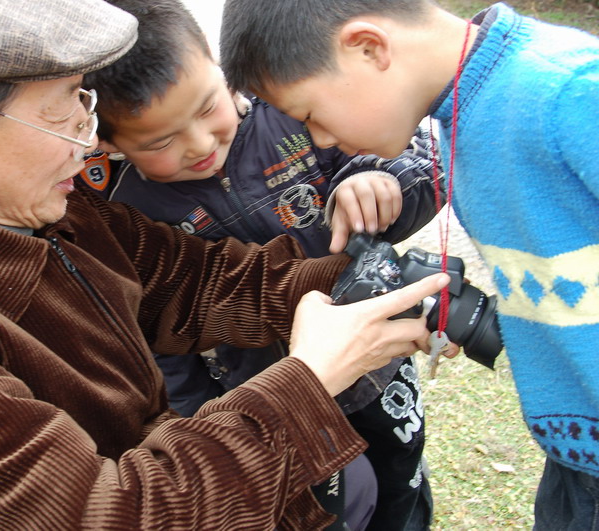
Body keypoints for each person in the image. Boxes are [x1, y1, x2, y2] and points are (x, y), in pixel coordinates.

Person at [0, 0, 451, 528]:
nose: (89, 143)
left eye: (89, 105)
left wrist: (371, 285)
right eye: (66, 112)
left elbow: (200, 282)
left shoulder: (40, 208)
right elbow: (111, 514)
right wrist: (307, 380)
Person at [218, 0, 599, 528]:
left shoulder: (571, 93)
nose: (321, 139)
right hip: (575, 467)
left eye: (308, 114)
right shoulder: (466, 114)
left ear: (369, 47)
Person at [81, 1, 443, 528]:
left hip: (376, 363)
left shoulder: (298, 116)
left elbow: (424, 160)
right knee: (324, 508)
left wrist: (377, 180)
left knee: (400, 478)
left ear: (221, 71)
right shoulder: (130, 215)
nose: (201, 144)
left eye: (208, 108)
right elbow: (162, 347)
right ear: (108, 144)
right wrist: (196, 416)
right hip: (268, 400)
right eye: (161, 141)